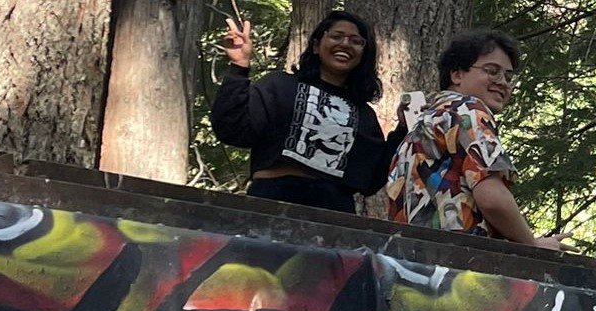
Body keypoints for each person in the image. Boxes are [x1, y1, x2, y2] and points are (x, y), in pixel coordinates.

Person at [384, 31, 571, 250]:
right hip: (459, 264)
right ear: (457, 75)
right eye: (492, 71)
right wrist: (532, 244)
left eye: (509, 77)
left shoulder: (421, 125)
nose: (503, 83)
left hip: (409, 264)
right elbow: (492, 198)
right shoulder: (468, 110)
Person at [212, 11, 398, 214]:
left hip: (333, 214)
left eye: (356, 41)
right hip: (270, 204)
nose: (345, 44)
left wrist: (403, 131)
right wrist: (239, 67)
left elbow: (372, 177)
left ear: (363, 54)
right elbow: (230, 127)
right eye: (336, 36)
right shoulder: (279, 86)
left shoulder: (363, 114)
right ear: (317, 45)